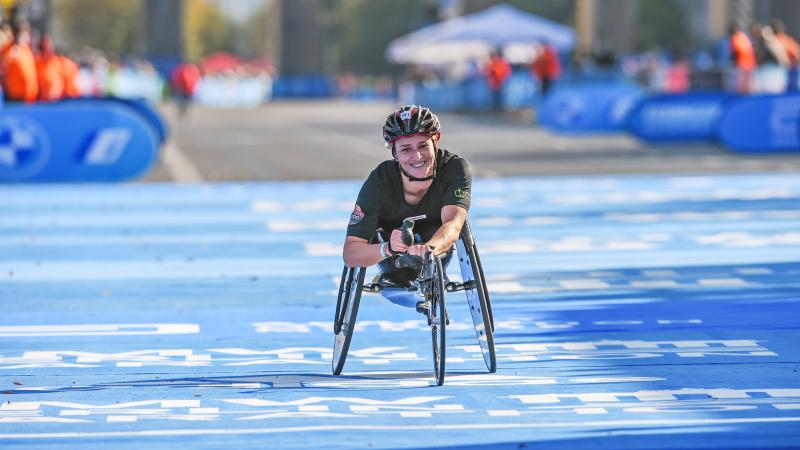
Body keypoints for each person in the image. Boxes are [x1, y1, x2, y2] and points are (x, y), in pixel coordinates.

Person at [342, 105, 471, 308]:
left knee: (439, 235)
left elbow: (454, 225)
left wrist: (429, 250)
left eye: (423, 146)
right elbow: (351, 254)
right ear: (394, 152)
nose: (417, 156)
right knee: (380, 237)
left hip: (435, 249)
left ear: (435, 140)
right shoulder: (380, 181)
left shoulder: (455, 169)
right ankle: (397, 279)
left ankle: (427, 275)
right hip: (391, 254)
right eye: (406, 149)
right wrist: (388, 248)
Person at [1, 21, 38, 103]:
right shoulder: (8, 49)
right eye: (20, 32)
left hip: (30, 97)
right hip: (15, 97)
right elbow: (3, 70)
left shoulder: (25, 48)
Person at [770, 19, 800, 92]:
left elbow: (794, 53)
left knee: (792, 88)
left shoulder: (781, 40)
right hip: (790, 67)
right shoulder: (784, 39)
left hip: (792, 66)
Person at [729, 22, 756, 93]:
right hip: (751, 64)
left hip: (742, 65)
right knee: (749, 87)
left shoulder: (735, 39)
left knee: (742, 88)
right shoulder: (744, 37)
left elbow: (734, 53)